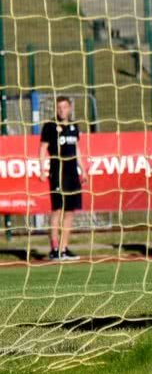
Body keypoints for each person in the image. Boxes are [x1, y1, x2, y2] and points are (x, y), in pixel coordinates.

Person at [39, 97, 87, 261]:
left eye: (64, 107)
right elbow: (43, 149)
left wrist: (83, 170)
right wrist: (42, 169)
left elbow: (77, 149)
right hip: (58, 174)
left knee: (70, 212)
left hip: (72, 174)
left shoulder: (74, 127)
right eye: (59, 107)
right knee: (57, 210)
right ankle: (54, 248)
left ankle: (64, 248)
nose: (62, 110)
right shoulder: (50, 126)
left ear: (70, 108)